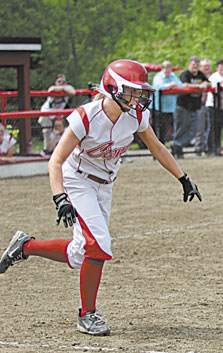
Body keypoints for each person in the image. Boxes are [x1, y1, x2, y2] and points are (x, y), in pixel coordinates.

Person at [0, 59, 202, 336]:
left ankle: (25, 247)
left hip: (105, 185)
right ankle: (87, 315)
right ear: (113, 87)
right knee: (99, 246)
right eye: (133, 90)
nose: (140, 96)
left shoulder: (136, 115)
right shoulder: (86, 116)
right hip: (77, 180)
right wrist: (60, 197)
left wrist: (183, 177)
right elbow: (55, 161)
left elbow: (156, 147)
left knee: (79, 254)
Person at [172, 56, 210, 158]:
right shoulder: (185, 74)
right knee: (182, 128)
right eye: (193, 65)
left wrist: (205, 83)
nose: (195, 67)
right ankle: (177, 148)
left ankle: (177, 144)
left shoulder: (200, 75)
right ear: (190, 64)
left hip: (195, 107)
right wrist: (199, 86)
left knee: (195, 128)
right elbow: (184, 85)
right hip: (183, 106)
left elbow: (208, 83)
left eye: (197, 65)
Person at [38, 74, 75, 154]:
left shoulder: (68, 87)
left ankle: (61, 150)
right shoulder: (54, 87)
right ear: (56, 82)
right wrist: (62, 89)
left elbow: (72, 92)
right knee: (47, 131)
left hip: (58, 114)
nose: (61, 83)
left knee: (61, 130)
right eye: (59, 81)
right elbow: (51, 90)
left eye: (63, 81)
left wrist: (62, 88)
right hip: (47, 113)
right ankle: (47, 150)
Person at [151, 61, 183, 144]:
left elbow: (181, 86)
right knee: (159, 129)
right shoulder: (158, 77)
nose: (167, 70)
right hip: (159, 107)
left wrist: (175, 85)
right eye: (165, 68)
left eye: (169, 68)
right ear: (162, 69)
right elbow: (159, 86)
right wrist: (170, 85)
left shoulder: (173, 76)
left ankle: (164, 147)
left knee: (167, 128)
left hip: (170, 107)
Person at [206, 59, 223, 156]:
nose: (222, 69)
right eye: (220, 67)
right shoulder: (213, 77)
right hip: (213, 105)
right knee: (212, 126)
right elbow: (215, 89)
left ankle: (217, 146)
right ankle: (210, 148)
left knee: (220, 127)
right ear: (217, 68)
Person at [194, 59, 212, 155]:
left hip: (211, 105)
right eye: (204, 66)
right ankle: (198, 148)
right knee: (200, 127)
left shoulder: (212, 76)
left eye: (208, 66)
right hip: (200, 104)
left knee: (209, 127)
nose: (206, 67)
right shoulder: (198, 76)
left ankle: (208, 147)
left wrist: (206, 83)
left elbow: (212, 84)